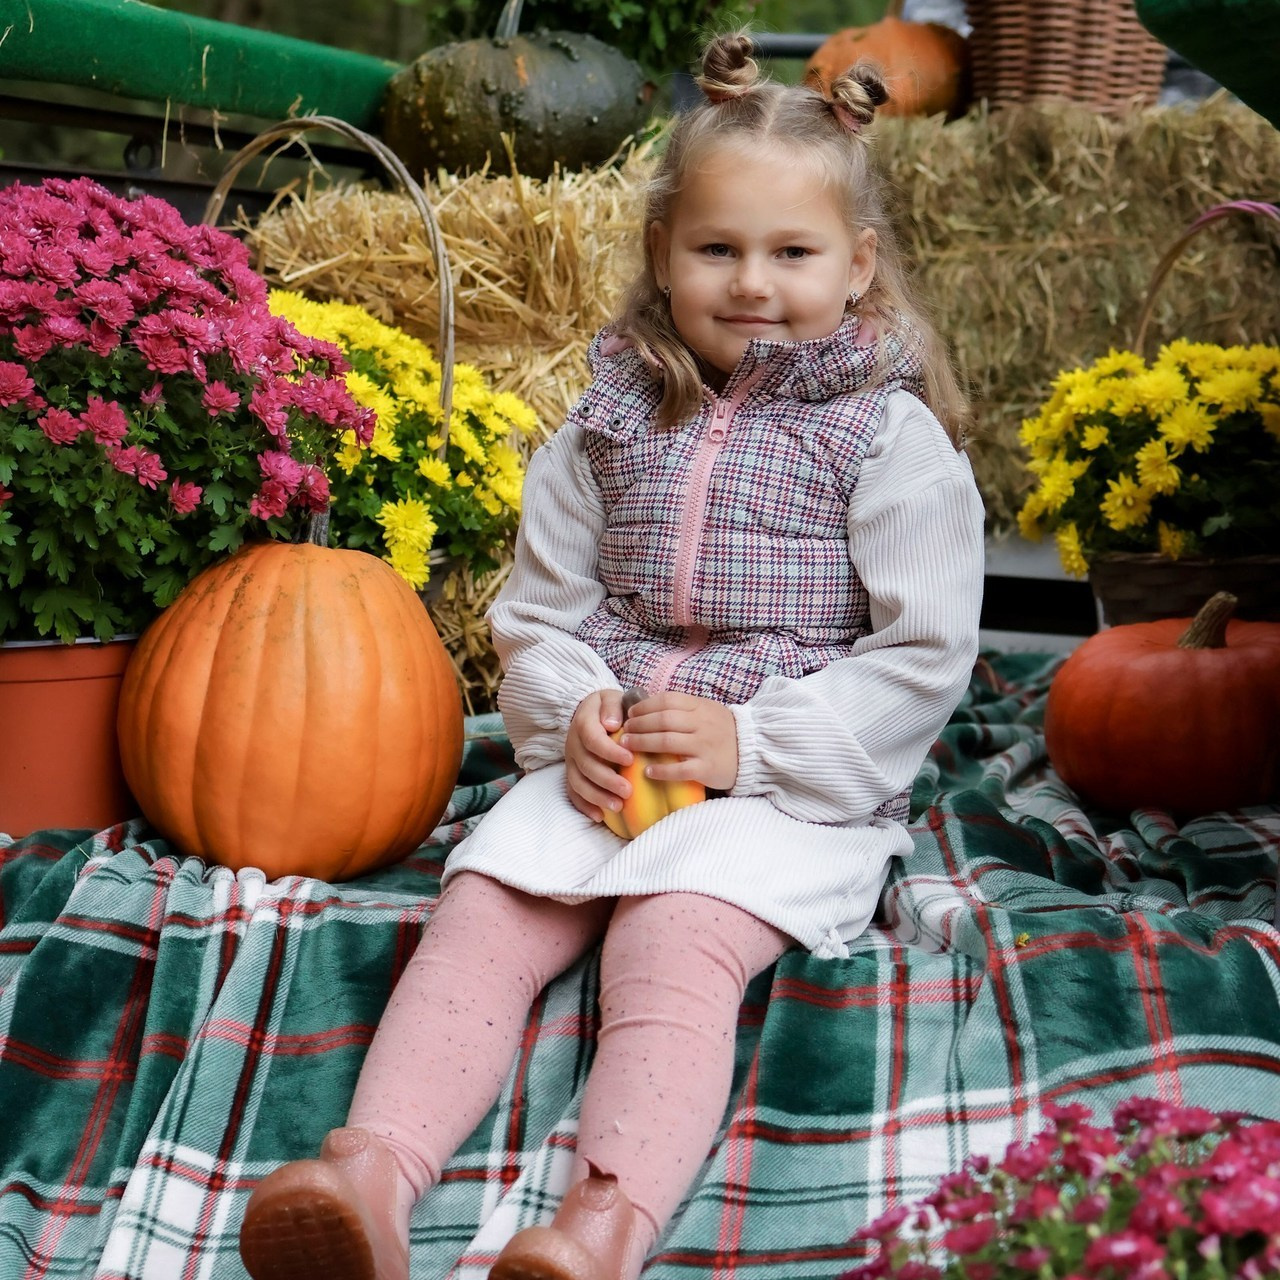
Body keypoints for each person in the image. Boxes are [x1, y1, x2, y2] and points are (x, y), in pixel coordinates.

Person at [238, 29, 985, 1280]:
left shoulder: (882, 439)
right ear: (659, 253)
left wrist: (755, 742)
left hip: (794, 786)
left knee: (671, 936)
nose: (752, 281)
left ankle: (600, 1220)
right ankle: (367, 1170)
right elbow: (539, 609)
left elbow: (922, 652)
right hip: (614, 757)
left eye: (790, 253)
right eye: (715, 248)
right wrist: (572, 709)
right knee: (482, 906)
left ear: (855, 267)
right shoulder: (604, 423)